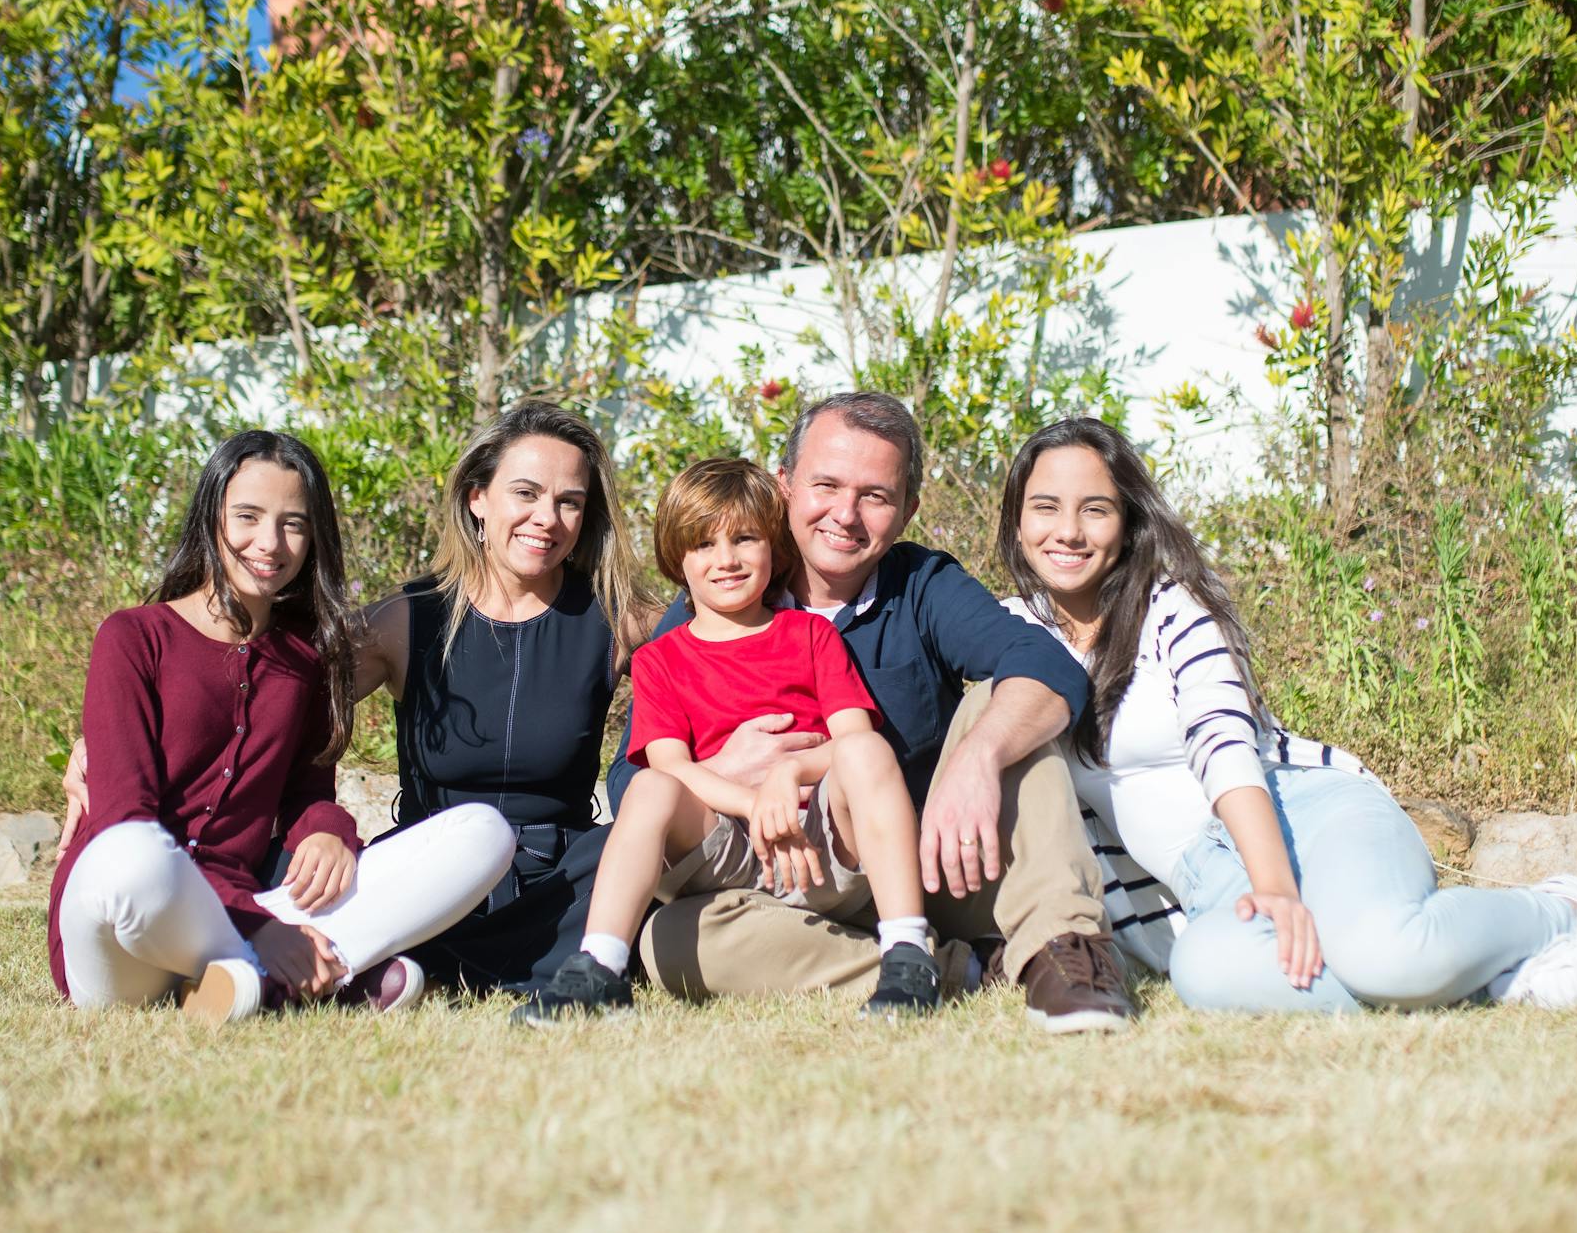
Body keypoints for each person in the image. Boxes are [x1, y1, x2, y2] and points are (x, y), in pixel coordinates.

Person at [996, 414, 1577, 1013]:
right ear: (1017, 521)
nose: (1069, 532)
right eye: (1045, 508)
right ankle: (1487, 977)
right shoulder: (1007, 630)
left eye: (1096, 510)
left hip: (1299, 813)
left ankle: (1555, 910)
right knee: (1202, 975)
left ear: (1129, 522)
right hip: (1202, 882)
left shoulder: (1173, 606)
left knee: (1384, 956)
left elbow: (1222, 743)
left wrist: (1272, 883)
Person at [601, 391, 1135, 1030]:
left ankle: (1067, 952)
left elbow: (1044, 665)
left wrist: (977, 757)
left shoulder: (924, 586)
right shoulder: (716, 598)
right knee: (671, 945)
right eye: (826, 485)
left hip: (919, 866)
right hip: (772, 884)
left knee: (1005, 699)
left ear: (907, 510)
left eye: (875, 496)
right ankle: (957, 967)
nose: (845, 515)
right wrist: (728, 770)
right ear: (786, 486)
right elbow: (633, 780)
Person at [51, 430, 516, 1021]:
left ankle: (242, 983)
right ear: (209, 517)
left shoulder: (304, 658)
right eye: (247, 516)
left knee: (484, 834)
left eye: (293, 523)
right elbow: (124, 820)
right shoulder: (133, 638)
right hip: (121, 934)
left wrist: (325, 829)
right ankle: (288, 968)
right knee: (133, 855)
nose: (269, 543)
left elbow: (307, 789)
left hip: (247, 898)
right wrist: (258, 925)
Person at [524, 457, 936, 1021]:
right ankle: (598, 967)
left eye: (745, 539)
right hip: (725, 851)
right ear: (678, 557)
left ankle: (908, 954)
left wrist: (787, 777)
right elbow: (672, 766)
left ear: (773, 546)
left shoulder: (809, 634)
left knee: (868, 751)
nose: (726, 560)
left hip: (816, 839)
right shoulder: (660, 659)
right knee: (649, 788)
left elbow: (852, 739)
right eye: (703, 544)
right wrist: (752, 801)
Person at [354, 400, 653, 995]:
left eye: (569, 501)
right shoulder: (404, 622)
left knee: (636, 857)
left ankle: (426, 970)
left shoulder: (619, 621)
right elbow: (288, 709)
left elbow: (722, 664)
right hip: (434, 875)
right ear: (477, 498)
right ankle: (485, 964)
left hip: (561, 880)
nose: (548, 518)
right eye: (525, 493)